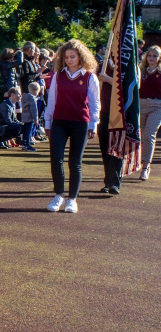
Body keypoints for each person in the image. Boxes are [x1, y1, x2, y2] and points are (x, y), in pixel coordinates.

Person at [44, 40, 100, 213]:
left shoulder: (89, 76)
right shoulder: (58, 75)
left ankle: (72, 199)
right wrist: (47, 122)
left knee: (75, 161)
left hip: (80, 123)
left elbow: (95, 103)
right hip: (59, 121)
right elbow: (51, 100)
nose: (69, 60)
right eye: (66, 57)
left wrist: (94, 124)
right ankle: (59, 195)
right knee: (56, 158)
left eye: (72, 57)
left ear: (81, 57)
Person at [97, 54, 124, 195]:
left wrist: (108, 79)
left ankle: (115, 182)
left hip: (120, 113)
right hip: (103, 112)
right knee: (105, 148)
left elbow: (130, 86)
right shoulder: (102, 64)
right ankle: (108, 181)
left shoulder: (126, 65)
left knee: (116, 148)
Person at [140, 45, 161, 180]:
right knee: (140, 136)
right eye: (149, 55)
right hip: (141, 105)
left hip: (157, 106)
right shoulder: (141, 71)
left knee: (149, 135)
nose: (151, 58)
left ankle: (145, 166)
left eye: (155, 56)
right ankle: (135, 162)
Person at [19, 82, 41, 152]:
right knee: (29, 131)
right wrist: (36, 119)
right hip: (29, 118)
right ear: (36, 91)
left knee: (25, 131)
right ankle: (27, 145)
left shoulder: (24, 96)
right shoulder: (32, 99)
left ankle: (25, 144)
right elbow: (33, 110)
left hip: (24, 117)